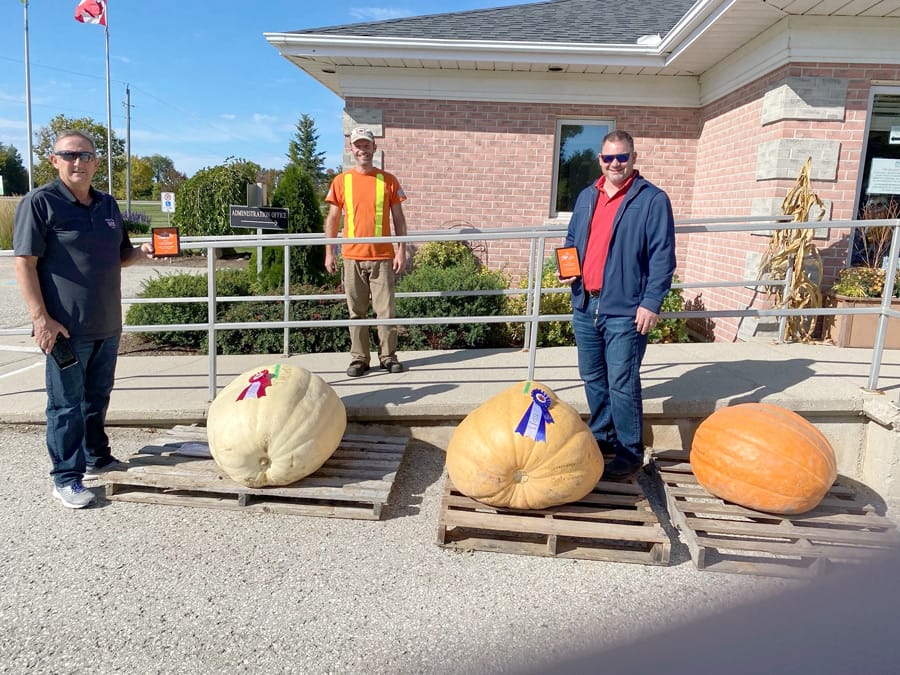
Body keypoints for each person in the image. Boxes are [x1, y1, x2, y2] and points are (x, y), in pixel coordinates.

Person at [13, 129, 154, 509]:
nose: (79, 162)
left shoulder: (107, 206)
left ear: (96, 162)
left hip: (107, 324)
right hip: (64, 328)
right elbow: (24, 263)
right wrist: (41, 319)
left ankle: (97, 457)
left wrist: (140, 253)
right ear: (54, 160)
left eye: (86, 156)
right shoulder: (40, 203)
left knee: (97, 397)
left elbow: (119, 255)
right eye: (70, 155)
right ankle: (66, 478)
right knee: (65, 405)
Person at [559, 130, 676, 479]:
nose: (615, 164)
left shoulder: (652, 200)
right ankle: (603, 438)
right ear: (600, 160)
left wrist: (651, 302)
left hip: (626, 310)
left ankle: (629, 450)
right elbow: (571, 239)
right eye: (608, 158)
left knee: (621, 382)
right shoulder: (586, 196)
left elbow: (662, 257)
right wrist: (567, 268)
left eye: (622, 158)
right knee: (592, 377)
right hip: (585, 303)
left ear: (633, 159)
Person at [324, 127, 409, 377]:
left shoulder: (388, 180)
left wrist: (401, 251)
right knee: (356, 311)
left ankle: (388, 357)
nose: (363, 150)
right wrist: (330, 252)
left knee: (386, 311)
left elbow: (399, 219)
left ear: (374, 148)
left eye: (367, 145)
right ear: (352, 149)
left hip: (383, 257)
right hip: (351, 256)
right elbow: (332, 219)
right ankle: (359, 358)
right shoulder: (342, 181)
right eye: (358, 146)